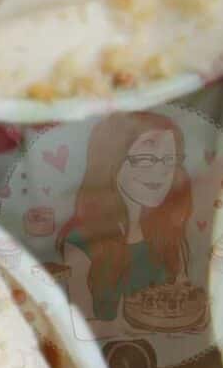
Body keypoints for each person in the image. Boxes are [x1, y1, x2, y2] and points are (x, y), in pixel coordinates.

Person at [58, 110, 193, 342]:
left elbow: (180, 290)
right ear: (112, 161)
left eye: (169, 160)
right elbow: (79, 327)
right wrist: (125, 326)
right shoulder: (80, 241)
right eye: (146, 159)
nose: (161, 172)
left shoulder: (167, 227)